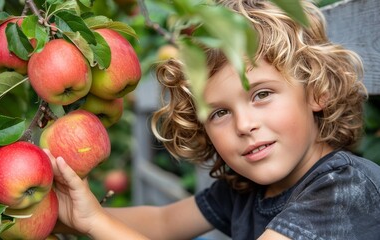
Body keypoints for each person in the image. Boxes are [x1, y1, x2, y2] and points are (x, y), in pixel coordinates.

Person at [46, 0, 380, 239]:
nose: (244, 125)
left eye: (261, 94)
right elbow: (162, 222)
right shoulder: (248, 189)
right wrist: (66, 216)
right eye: (219, 112)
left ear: (316, 92)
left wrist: (96, 224)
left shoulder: (344, 190)